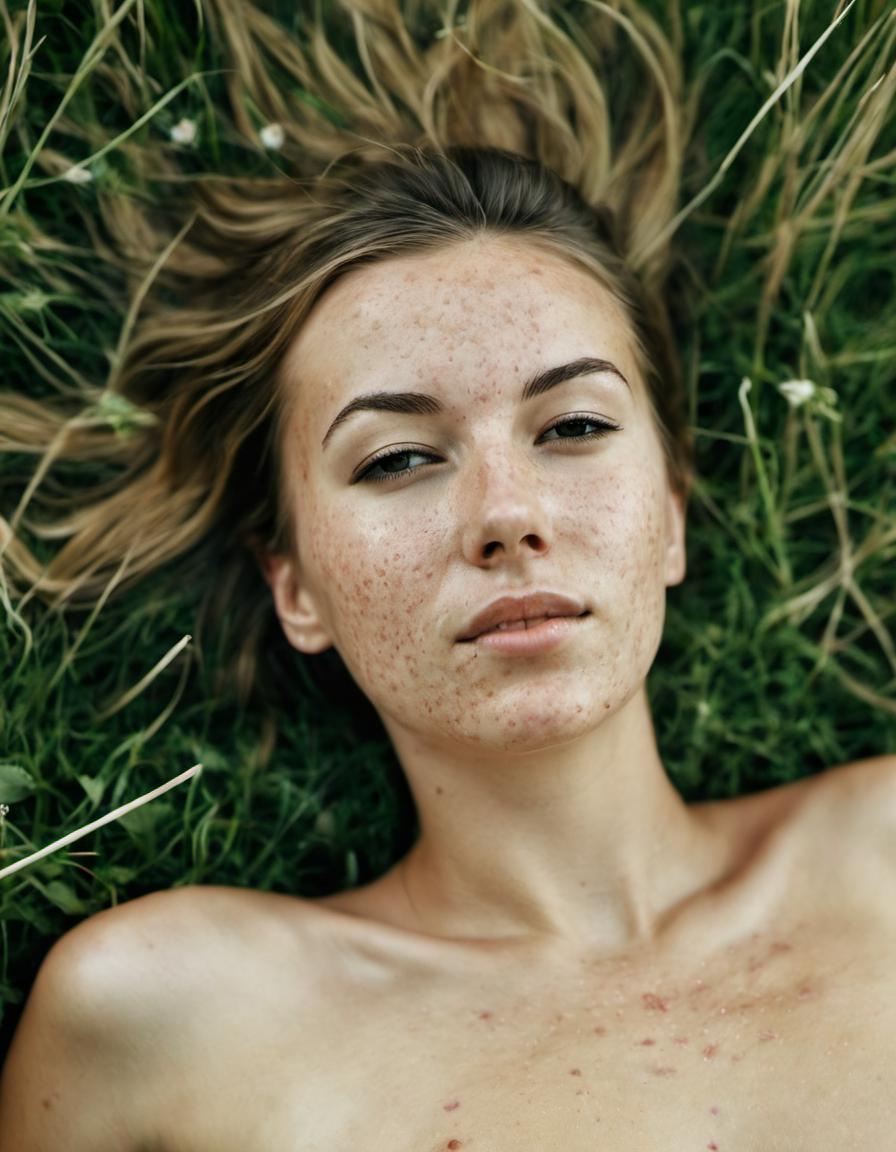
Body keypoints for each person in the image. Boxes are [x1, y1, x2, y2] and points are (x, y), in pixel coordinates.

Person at [0, 2, 893, 1149]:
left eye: (570, 426)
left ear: (668, 512)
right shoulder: (170, 1016)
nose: (506, 516)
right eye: (400, 458)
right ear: (295, 588)